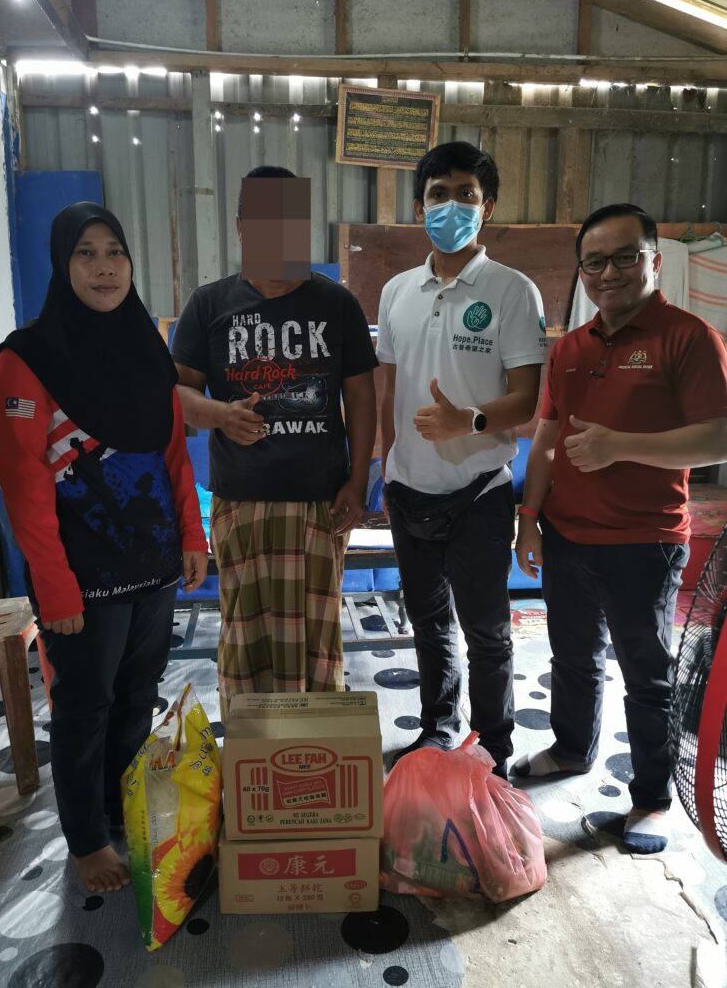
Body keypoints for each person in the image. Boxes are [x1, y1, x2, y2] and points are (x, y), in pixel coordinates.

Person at [0, 202, 208, 893]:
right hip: (81, 580)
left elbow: (173, 454)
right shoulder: (23, 364)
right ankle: (86, 840)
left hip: (153, 566)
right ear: (62, 263)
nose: (104, 267)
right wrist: (54, 589)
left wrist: (192, 534)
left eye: (115, 251)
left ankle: (121, 807)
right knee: (85, 707)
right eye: (86, 252)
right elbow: (25, 490)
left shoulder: (146, 348)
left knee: (137, 697)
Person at [513, 202, 727, 853]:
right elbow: (546, 437)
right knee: (573, 658)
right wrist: (529, 518)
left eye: (625, 257)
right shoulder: (570, 348)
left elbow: (718, 437)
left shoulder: (688, 338)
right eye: (595, 262)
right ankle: (571, 748)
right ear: (582, 272)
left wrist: (620, 446)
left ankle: (652, 798)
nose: (609, 272)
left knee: (646, 674)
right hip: (567, 536)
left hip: (644, 542)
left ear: (654, 260)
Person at [171, 166, 377, 719]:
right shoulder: (208, 304)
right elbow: (177, 395)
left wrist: (358, 481)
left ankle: (315, 750)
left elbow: (360, 397)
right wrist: (220, 415)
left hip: (320, 502)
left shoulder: (337, 304)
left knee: (318, 640)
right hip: (242, 501)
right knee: (246, 640)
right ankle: (255, 753)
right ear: (242, 225)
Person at [377, 141, 547, 776]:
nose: (450, 206)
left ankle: (494, 748)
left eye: (465, 195)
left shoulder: (512, 290)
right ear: (419, 206)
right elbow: (388, 387)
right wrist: (384, 468)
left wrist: (467, 420)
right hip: (407, 490)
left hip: (478, 490)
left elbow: (526, 399)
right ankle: (437, 729)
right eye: (438, 194)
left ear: (487, 207)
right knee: (428, 624)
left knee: (487, 632)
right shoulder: (397, 290)